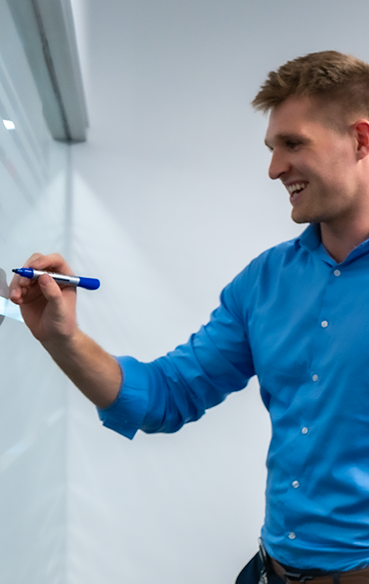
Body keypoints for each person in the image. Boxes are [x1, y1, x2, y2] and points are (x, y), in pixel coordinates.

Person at [9, 50, 369, 583]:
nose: (273, 169)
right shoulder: (263, 282)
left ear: (362, 139)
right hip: (271, 571)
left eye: (293, 144)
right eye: (272, 149)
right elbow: (165, 396)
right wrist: (63, 338)